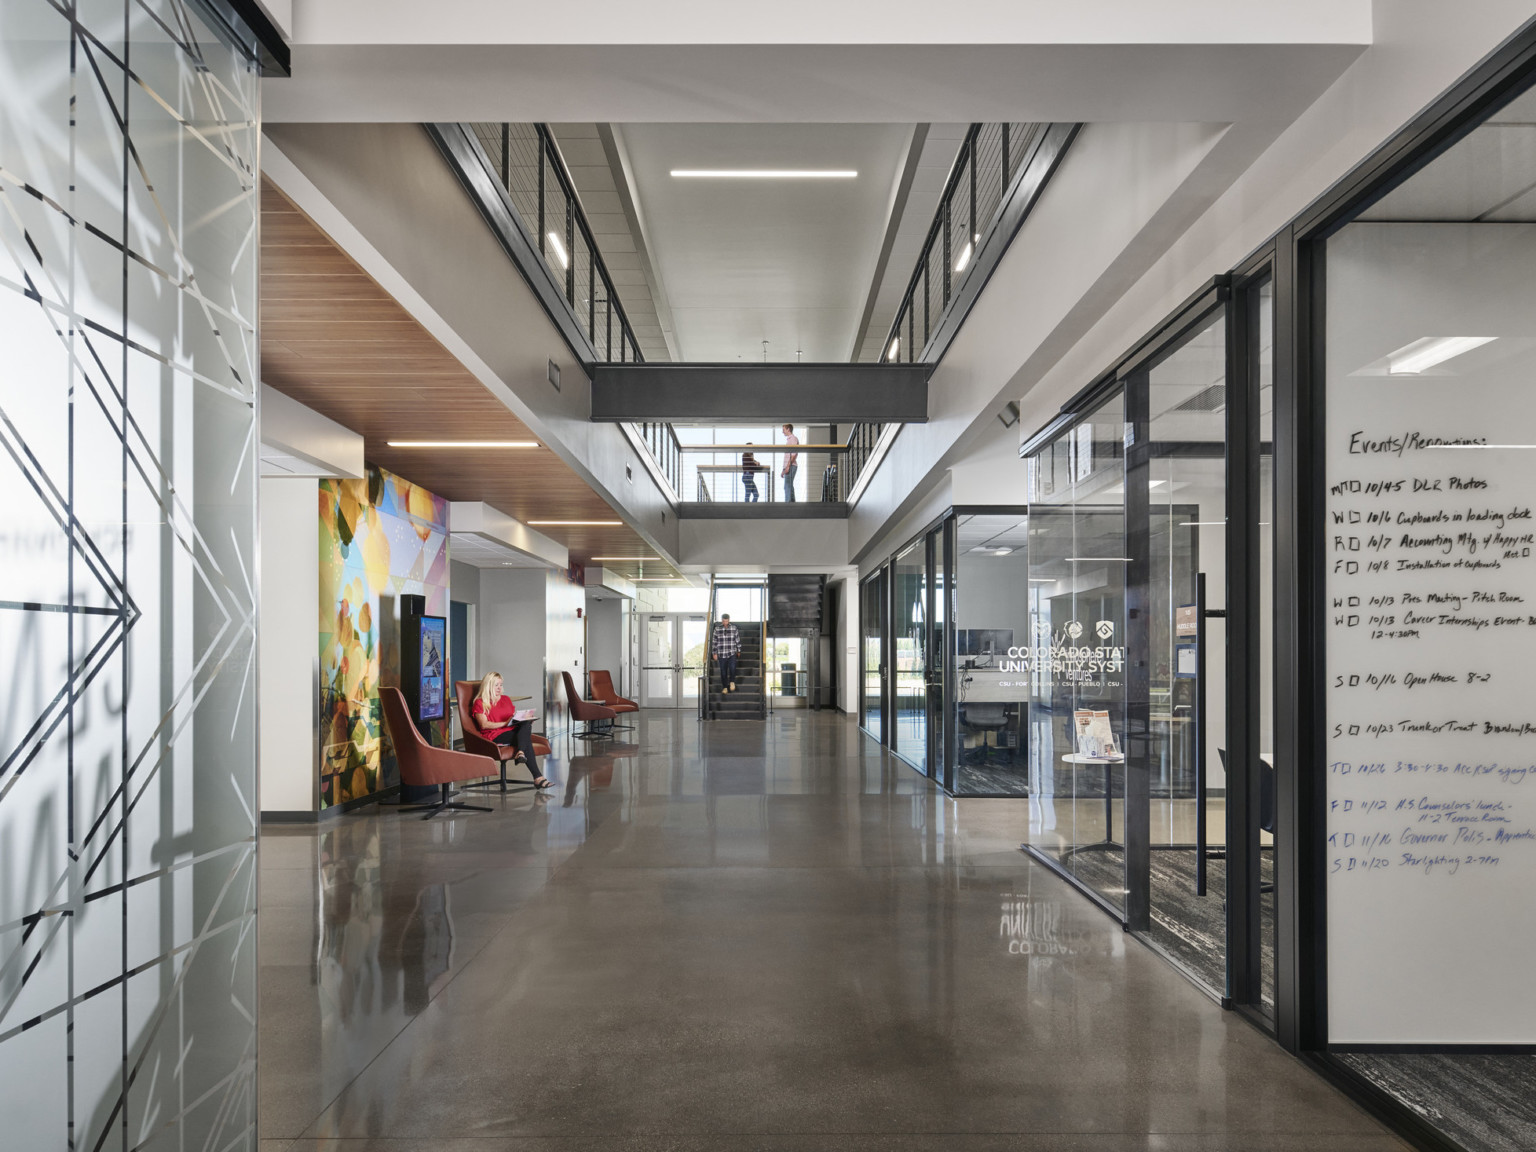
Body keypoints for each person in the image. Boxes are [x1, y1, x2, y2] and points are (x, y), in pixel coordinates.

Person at [469, 671, 552, 788]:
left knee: (526, 724)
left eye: (501, 685)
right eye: (496, 685)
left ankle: (522, 754)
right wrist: (505, 723)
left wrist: (523, 720)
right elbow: (484, 725)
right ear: (488, 686)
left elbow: (513, 717)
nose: (499, 688)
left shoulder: (506, 699)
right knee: (525, 739)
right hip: (494, 735)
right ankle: (537, 776)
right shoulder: (480, 703)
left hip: (511, 731)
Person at [711, 613, 741, 692]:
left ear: (729, 620)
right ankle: (724, 687)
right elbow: (714, 642)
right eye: (723, 621)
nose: (725, 623)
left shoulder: (734, 628)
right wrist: (714, 653)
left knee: (732, 668)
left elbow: (737, 640)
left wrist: (739, 650)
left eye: (726, 621)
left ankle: (732, 682)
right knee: (723, 671)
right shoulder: (717, 629)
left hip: (732, 653)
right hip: (721, 654)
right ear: (722, 620)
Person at [780, 424, 799, 502]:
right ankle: (792, 503)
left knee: (787, 485)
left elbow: (794, 454)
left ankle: (788, 504)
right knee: (789, 485)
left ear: (788, 429)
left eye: (783, 429)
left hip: (791, 465)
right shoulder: (788, 440)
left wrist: (787, 467)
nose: (782, 432)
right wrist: (783, 469)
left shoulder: (793, 439)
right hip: (788, 466)